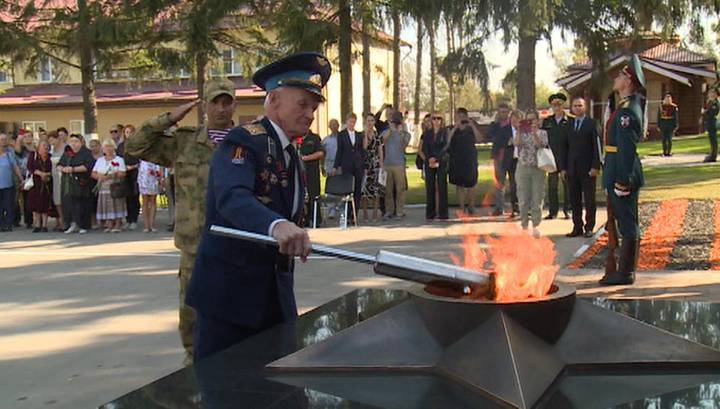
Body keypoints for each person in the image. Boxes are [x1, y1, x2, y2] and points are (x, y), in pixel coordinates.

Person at [187, 52, 330, 361]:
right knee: (226, 387)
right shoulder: (244, 140)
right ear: (274, 100)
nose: (310, 114)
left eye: (314, 107)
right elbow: (232, 197)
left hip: (273, 295)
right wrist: (277, 226)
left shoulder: (290, 153)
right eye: (302, 104)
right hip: (230, 298)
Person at [126, 78, 237, 365]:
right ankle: (193, 361)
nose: (222, 109)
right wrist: (169, 118)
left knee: (233, 306)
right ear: (205, 106)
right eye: (215, 102)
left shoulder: (245, 142)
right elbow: (135, 147)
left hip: (234, 242)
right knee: (190, 309)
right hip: (194, 242)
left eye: (227, 102)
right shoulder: (184, 141)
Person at [598, 55, 646, 286]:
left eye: (619, 76)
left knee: (627, 222)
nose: (615, 79)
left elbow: (626, 148)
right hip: (615, 168)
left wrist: (623, 180)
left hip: (621, 171)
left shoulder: (627, 111)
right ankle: (624, 270)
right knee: (624, 221)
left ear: (628, 80)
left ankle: (625, 273)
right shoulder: (625, 106)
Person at [564, 96, 601, 238]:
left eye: (580, 105)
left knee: (590, 199)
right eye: (575, 106)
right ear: (571, 108)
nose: (577, 108)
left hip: (588, 169)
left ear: (584, 107)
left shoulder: (592, 124)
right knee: (574, 200)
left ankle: (589, 227)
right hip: (572, 169)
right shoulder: (568, 125)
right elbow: (565, 148)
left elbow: (597, 147)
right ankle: (577, 227)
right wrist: (564, 167)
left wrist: (595, 166)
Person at [513, 110, 548, 237]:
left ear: (538, 120)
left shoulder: (543, 133)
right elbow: (517, 144)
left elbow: (541, 145)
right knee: (523, 198)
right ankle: (524, 225)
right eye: (528, 120)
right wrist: (519, 130)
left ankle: (536, 225)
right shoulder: (521, 133)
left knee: (537, 197)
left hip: (538, 168)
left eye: (533, 119)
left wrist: (534, 133)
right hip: (523, 167)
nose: (530, 122)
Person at [542, 93, 571, 220]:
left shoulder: (570, 120)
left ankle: (567, 210)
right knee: (552, 186)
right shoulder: (547, 121)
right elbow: (543, 139)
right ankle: (553, 212)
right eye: (554, 105)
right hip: (552, 158)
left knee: (568, 186)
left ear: (563, 105)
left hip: (566, 157)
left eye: (559, 104)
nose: (557, 107)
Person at [58, 134, 94, 234]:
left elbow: (88, 166)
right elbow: (59, 165)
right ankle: (71, 224)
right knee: (68, 204)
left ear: (81, 142)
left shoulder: (86, 153)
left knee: (80, 204)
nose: (74, 144)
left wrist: (73, 169)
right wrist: (63, 169)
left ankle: (82, 225)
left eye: (76, 141)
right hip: (68, 183)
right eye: (72, 141)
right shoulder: (67, 153)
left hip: (81, 182)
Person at [448, 108, 481, 215]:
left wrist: (472, 126)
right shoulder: (452, 129)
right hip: (457, 159)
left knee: (471, 184)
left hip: (470, 158)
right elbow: (447, 142)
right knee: (459, 184)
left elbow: (480, 139)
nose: (460, 119)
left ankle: (471, 206)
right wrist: (455, 128)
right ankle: (462, 207)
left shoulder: (471, 128)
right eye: (458, 117)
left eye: (462, 117)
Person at [333, 113, 365, 223]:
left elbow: (361, 151)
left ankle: (354, 215)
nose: (352, 124)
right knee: (347, 190)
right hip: (346, 165)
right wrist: (335, 166)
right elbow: (339, 151)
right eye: (350, 121)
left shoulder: (359, 135)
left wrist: (363, 165)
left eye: (354, 122)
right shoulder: (341, 135)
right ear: (346, 122)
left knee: (357, 190)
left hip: (357, 165)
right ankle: (346, 214)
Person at [419, 112, 449, 220]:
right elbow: (425, 148)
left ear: (442, 120)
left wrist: (436, 158)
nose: (436, 121)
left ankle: (443, 213)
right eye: (434, 118)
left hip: (441, 162)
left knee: (442, 187)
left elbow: (446, 146)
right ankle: (430, 213)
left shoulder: (445, 132)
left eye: (439, 118)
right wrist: (429, 158)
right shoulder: (427, 133)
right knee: (430, 187)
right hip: (429, 162)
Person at [92, 140, 127, 233]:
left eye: (110, 146)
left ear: (113, 147)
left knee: (117, 204)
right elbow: (93, 173)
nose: (108, 149)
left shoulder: (119, 159)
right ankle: (110, 223)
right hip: (103, 186)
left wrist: (112, 175)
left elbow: (123, 173)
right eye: (106, 147)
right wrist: (100, 176)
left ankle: (118, 223)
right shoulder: (100, 160)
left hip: (115, 186)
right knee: (107, 205)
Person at [381, 111, 411, 219]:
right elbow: (383, 140)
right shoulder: (386, 132)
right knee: (388, 189)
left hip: (399, 164)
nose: (396, 123)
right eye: (394, 121)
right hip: (388, 163)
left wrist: (400, 132)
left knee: (400, 189)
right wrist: (390, 129)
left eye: (397, 121)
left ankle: (400, 211)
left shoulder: (405, 134)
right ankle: (389, 211)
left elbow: (404, 146)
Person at [488, 103, 514, 216]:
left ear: (508, 112)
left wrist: (504, 141)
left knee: (514, 183)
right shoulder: (494, 125)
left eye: (505, 112)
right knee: (499, 184)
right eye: (501, 112)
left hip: (511, 157)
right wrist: (504, 141)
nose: (503, 114)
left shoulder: (512, 126)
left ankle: (515, 207)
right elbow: (492, 137)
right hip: (498, 157)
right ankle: (499, 207)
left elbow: (510, 140)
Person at [361, 113, 383, 222]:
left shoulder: (377, 135)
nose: (370, 123)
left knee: (376, 191)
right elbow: (364, 147)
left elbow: (380, 150)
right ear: (365, 122)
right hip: (365, 165)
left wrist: (382, 165)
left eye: (372, 121)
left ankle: (375, 213)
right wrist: (365, 134)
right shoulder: (361, 134)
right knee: (364, 191)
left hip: (375, 164)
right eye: (368, 121)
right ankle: (365, 214)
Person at [299, 130, 324, 226]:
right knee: (302, 196)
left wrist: (305, 158)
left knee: (314, 195)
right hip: (299, 171)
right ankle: (304, 219)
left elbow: (320, 153)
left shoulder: (314, 138)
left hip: (312, 171)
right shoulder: (295, 136)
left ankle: (316, 220)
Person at [27, 140, 53, 232]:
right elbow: (30, 167)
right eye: (43, 145)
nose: (45, 147)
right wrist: (41, 173)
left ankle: (45, 225)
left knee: (45, 202)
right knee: (36, 203)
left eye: (47, 145)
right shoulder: (33, 156)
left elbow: (53, 169)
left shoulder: (50, 157)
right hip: (35, 182)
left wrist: (47, 175)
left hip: (46, 182)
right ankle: (37, 224)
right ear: (38, 147)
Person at [0, 132, 24, 232]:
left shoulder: (9, 154)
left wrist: (21, 179)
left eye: (5, 139)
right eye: (1, 139)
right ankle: (1, 224)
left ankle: (8, 224)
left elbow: (15, 167)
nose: (3, 141)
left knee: (9, 205)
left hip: (8, 185)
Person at [118, 124, 140, 230]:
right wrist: (122, 167)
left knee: (134, 197)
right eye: (126, 132)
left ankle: (134, 219)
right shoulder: (121, 146)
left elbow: (141, 159)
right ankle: (128, 219)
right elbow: (118, 158)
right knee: (126, 197)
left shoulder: (138, 144)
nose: (128, 134)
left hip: (135, 173)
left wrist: (133, 166)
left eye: (130, 132)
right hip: (124, 173)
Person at [49, 129, 67, 231]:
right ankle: (60, 220)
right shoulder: (52, 150)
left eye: (53, 140)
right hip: (55, 177)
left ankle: (66, 221)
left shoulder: (65, 148)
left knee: (65, 199)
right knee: (57, 201)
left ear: (58, 139)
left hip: (64, 176)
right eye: (50, 141)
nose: (52, 143)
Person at [322, 119, 340, 219]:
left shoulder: (342, 138)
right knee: (330, 188)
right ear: (329, 127)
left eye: (335, 125)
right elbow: (322, 154)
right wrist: (322, 166)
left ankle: (340, 207)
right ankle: (331, 210)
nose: (333, 127)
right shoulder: (326, 140)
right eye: (331, 125)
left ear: (338, 126)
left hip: (340, 165)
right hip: (329, 164)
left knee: (341, 187)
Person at [657, 93, 678, 157]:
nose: (667, 100)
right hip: (663, 124)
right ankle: (664, 152)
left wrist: (676, 125)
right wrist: (658, 125)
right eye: (666, 99)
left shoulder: (674, 107)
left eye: (669, 99)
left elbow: (676, 117)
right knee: (663, 139)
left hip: (670, 123)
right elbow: (659, 116)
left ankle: (669, 152)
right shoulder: (661, 106)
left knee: (669, 139)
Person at [702, 88, 719, 163]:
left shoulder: (715, 103)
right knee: (711, 139)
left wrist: (705, 112)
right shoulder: (710, 102)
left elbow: (712, 112)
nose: (710, 95)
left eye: (712, 93)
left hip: (712, 122)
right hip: (709, 122)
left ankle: (713, 155)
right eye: (710, 93)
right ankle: (712, 154)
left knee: (713, 139)